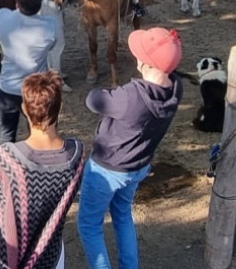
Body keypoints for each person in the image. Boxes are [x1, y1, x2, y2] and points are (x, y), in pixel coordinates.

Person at [76, 27, 183, 269]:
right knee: (122, 215)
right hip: (138, 166)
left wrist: (111, 92)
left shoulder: (131, 96)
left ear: (145, 64)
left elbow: (92, 100)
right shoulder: (175, 89)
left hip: (107, 168)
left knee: (89, 226)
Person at [0, 71, 84, 269]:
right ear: (60, 107)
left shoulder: (7, 157)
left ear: (24, 108)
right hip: (52, 256)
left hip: (10, 258)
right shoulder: (76, 153)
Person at [0, 0, 59, 143]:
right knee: (40, 134)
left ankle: (6, 164)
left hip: (8, 88)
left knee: (6, 135)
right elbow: (52, 46)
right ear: (40, 5)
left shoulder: (2, 16)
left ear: (17, 4)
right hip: (36, 91)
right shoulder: (50, 25)